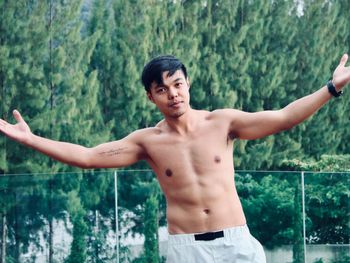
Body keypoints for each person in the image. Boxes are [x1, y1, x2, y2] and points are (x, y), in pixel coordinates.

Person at [0, 54, 349, 263]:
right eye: (162, 89)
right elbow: (88, 157)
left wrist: (331, 88)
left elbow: (284, 116)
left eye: (177, 84)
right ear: (151, 96)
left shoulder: (222, 122)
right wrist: (31, 140)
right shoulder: (148, 142)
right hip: (187, 250)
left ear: (187, 83)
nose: (173, 94)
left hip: (237, 243)